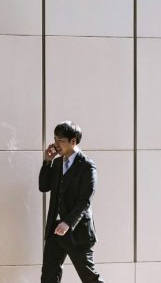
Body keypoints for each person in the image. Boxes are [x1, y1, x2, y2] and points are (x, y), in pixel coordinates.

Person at [39, 121, 104, 283]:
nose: (56, 144)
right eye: (55, 139)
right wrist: (47, 161)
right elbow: (43, 187)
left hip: (77, 232)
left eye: (60, 141)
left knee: (90, 278)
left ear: (73, 141)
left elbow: (85, 200)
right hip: (55, 230)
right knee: (48, 277)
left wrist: (68, 222)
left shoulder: (87, 166)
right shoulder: (58, 162)